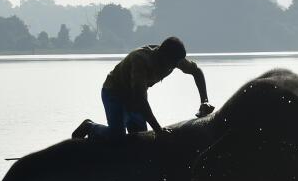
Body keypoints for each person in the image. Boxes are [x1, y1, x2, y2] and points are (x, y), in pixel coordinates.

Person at [72, 36, 214, 140]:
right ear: (163, 56)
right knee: (117, 137)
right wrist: (158, 130)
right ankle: (90, 126)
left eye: (177, 63)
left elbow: (196, 72)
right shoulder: (140, 60)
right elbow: (140, 99)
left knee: (140, 139)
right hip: (114, 92)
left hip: (134, 97)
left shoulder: (174, 59)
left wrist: (204, 101)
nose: (174, 66)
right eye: (172, 63)